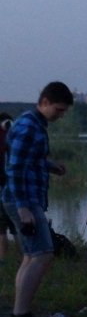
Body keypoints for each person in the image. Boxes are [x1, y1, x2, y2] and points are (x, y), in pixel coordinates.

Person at [1, 82, 73, 317]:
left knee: (31, 255)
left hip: (26, 198)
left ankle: (20, 313)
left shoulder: (35, 125)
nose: (60, 115)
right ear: (44, 102)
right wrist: (23, 208)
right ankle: (20, 316)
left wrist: (53, 167)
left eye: (63, 111)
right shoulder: (29, 126)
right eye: (58, 109)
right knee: (43, 253)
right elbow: (14, 169)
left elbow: (31, 159)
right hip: (23, 200)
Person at [0, 112, 14, 262]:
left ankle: (3, 261)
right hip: (10, 187)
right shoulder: (11, 137)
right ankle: (24, 258)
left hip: (5, 185)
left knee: (2, 226)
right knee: (15, 226)